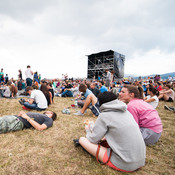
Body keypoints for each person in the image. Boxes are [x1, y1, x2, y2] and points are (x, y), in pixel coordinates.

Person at [74, 92, 145, 172]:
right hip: (140, 160)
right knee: (105, 141)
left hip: (125, 163)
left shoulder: (105, 115)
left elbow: (93, 139)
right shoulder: (127, 112)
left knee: (82, 140)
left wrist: (87, 130)